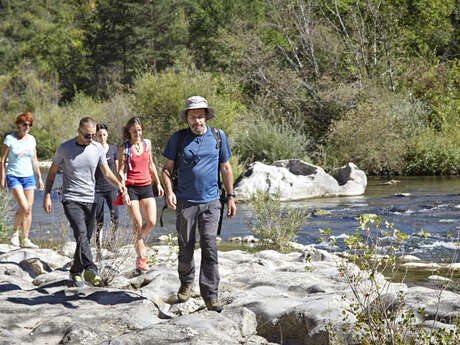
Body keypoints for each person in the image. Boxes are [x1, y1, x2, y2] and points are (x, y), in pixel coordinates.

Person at [162, 96, 237, 312]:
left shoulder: (218, 136)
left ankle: (211, 295)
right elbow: (166, 170)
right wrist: (169, 192)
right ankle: (186, 282)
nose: (197, 120)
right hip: (185, 202)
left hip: (212, 201)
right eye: (192, 116)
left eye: (200, 115)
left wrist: (231, 197)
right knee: (185, 246)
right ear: (187, 118)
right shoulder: (178, 138)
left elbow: (226, 167)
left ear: (206, 116)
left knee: (209, 245)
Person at [43, 117, 129, 288]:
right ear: (78, 132)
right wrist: (46, 195)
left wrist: (119, 185)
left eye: (93, 135)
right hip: (71, 199)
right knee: (81, 232)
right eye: (87, 136)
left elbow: (106, 173)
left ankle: (75, 271)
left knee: (85, 238)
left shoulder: (97, 148)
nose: (91, 139)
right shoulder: (64, 148)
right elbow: (52, 173)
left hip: (91, 199)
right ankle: (91, 268)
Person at [117, 117, 164, 272]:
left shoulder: (147, 144)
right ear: (129, 132)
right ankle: (141, 258)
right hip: (131, 188)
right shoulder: (124, 148)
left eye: (139, 130)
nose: (137, 133)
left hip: (146, 186)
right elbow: (120, 171)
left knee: (151, 222)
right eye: (134, 131)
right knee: (137, 223)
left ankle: (137, 239)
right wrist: (123, 191)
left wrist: (158, 183)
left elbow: (151, 164)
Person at [0, 112, 44, 249]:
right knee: (24, 206)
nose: (27, 127)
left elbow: (34, 160)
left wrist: (40, 178)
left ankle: (25, 239)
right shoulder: (9, 139)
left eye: (29, 125)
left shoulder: (32, 139)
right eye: (25, 124)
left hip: (28, 177)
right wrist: (2, 178)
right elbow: (2, 161)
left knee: (28, 209)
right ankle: (15, 232)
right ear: (19, 124)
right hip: (13, 176)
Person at [94, 123, 119, 260]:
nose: (102, 137)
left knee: (116, 217)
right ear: (96, 136)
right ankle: (98, 249)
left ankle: (112, 242)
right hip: (96, 189)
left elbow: (116, 170)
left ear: (107, 135)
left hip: (111, 189)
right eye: (99, 135)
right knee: (99, 220)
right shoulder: (93, 150)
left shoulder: (114, 149)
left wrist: (121, 185)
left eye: (104, 135)